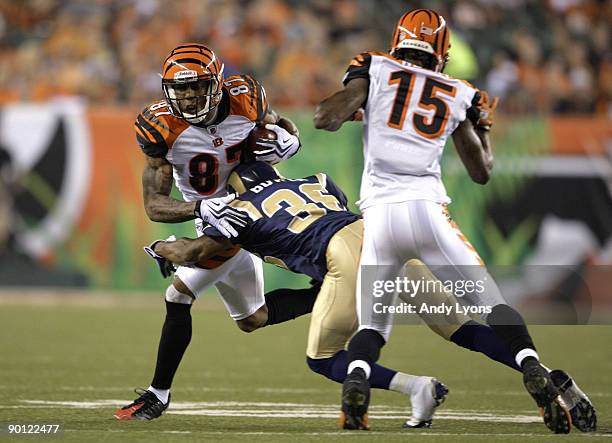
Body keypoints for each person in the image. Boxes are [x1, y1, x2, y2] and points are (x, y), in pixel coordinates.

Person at [147, 162, 593, 430]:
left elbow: (195, 250)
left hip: (343, 257)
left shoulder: (239, 208)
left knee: (322, 358)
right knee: (464, 330)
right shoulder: (315, 180)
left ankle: (407, 387)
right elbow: (336, 208)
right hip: (382, 241)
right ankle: (552, 379)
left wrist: (162, 247)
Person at [313, 9, 595, 433]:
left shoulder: (374, 68)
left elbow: (325, 118)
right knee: (491, 306)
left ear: (399, 42)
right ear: (441, 53)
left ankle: (356, 378)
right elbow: (481, 171)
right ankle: (532, 367)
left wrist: (362, 98)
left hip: (380, 220)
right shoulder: (459, 91)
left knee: (373, 325)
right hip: (429, 215)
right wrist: (482, 130)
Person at [114, 43, 310, 421]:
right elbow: (154, 204)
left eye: (196, 87)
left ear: (218, 85)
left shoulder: (245, 98)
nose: (187, 97)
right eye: (180, 89)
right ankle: (325, 295)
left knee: (178, 295)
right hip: (211, 215)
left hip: (253, 203)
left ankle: (158, 395)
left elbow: (279, 123)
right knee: (252, 319)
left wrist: (292, 139)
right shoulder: (160, 126)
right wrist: (200, 206)